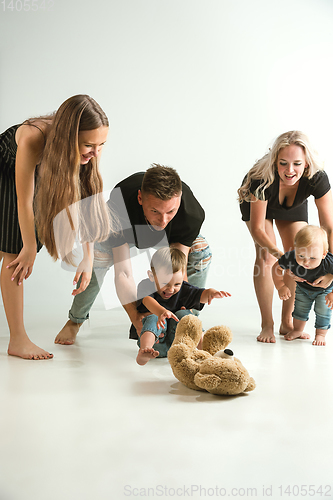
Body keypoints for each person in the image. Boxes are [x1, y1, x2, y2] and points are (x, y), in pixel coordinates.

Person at [0, 94, 113, 359]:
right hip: (5, 173)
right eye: (89, 145)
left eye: (102, 144)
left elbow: (87, 198)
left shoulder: (86, 149)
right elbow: (24, 200)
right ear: (68, 138)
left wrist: (88, 257)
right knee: (15, 253)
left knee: (20, 248)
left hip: (29, 177)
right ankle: (17, 340)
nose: (96, 153)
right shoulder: (33, 139)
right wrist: (28, 246)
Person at [55, 164, 212, 345]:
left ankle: (189, 319)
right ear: (140, 198)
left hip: (170, 239)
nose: (163, 220)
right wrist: (135, 317)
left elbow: (178, 270)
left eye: (170, 211)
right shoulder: (119, 204)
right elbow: (123, 273)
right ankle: (75, 320)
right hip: (126, 230)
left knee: (201, 249)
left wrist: (179, 312)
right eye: (155, 211)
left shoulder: (191, 214)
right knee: (98, 257)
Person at [238, 130, 333, 343]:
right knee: (267, 257)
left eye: (297, 164)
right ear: (275, 161)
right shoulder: (260, 177)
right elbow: (258, 230)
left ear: (307, 163)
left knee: (300, 254)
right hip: (258, 205)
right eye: (283, 163)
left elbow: (328, 226)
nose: (290, 170)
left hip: (293, 205)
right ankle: (267, 324)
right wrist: (282, 257)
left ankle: (286, 322)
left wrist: (332, 268)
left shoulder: (317, 177)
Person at [134, 246, 231, 365]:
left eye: (177, 284)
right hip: (157, 344)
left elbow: (199, 294)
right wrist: (161, 312)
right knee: (153, 318)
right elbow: (147, 300)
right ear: (151, 276)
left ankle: (208, 351)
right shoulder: (145, 286)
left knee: (186, 316)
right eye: (165, 283)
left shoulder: (184, 289)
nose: (171, 289)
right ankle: (145, 351)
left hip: (180, 345)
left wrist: (210, 293)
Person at [272, 225, 333, 346]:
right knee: (300, 310)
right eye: (301, 256)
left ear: (323, 254)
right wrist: (281, 286)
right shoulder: (291, 258)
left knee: (323, 311)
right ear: (296, 249)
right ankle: (297, 330)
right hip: (302, 289)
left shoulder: (329, 262)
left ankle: (320, 334)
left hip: (324, 291)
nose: (306, 262)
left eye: (312, 258)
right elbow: (276, 268)